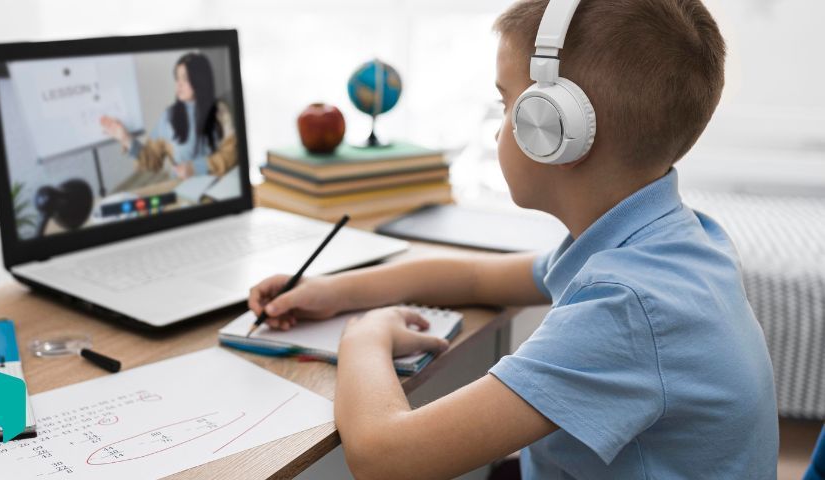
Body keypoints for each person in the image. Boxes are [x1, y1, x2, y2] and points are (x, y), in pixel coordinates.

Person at [248, 0, 779, 478]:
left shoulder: (628, 308)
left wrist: (364, 335)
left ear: (554, 131)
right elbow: (478, 276)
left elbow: (383, 456)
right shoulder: (668, 239)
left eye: (508, 106)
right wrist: (334, 291)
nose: (501, 127)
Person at [100, 52, 237, 179]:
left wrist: (196, 167)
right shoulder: (169, 117)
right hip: (183, 188)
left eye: (185, 78)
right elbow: (153, 159)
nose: (179, 84)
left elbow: (231, 154)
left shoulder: (220, 110)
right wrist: (126, 139)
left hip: (219, 183)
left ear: (200, 79)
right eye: (177, 78)